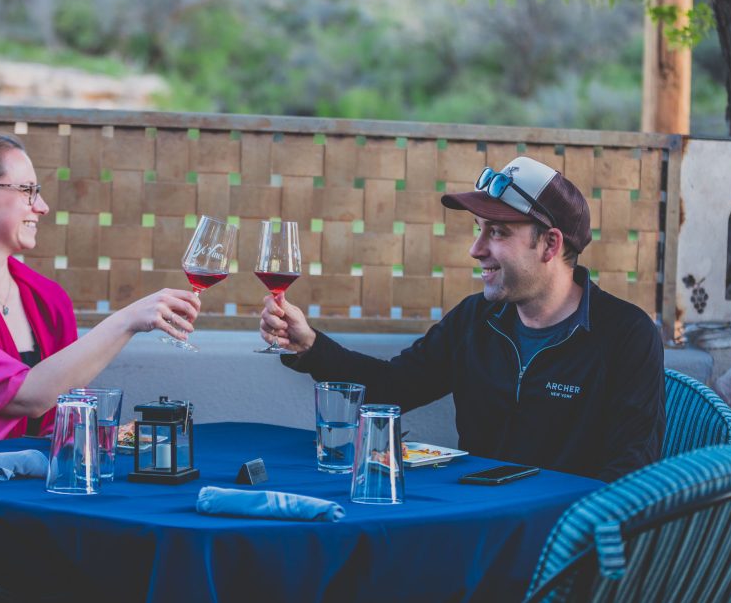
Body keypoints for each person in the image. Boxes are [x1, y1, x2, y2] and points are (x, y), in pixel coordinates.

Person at [260, 156, 664, 481]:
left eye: (497, 232)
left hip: (563, 540)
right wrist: (310, 345)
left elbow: (630, 475)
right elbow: (391, 387)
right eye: (479, 229)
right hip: (478, 523)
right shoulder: (475, 319)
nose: (475, 249)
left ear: (550, 244)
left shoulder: (625, 335)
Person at [0, 130, 200, 444]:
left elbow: (68, 412)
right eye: (27, 191)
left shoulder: (46, 298)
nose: (43, 207)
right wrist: (127, 320)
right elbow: (29, 397)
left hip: (37, 471)